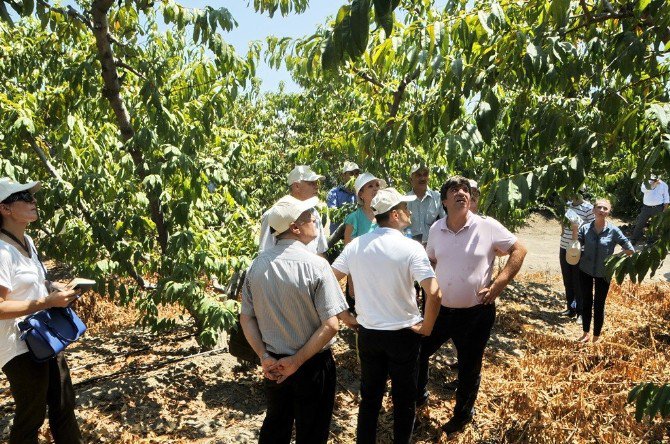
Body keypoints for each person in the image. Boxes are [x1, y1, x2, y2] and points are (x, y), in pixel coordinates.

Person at [332, 188, 442, 444]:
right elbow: (434, 294)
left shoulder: (356, 245)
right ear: (394, 215)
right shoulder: (410, 247)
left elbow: (327, 280)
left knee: (370, 398)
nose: (409, 212)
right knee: (404, 401)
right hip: (403, 334)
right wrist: (427, 327)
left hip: (369, 334)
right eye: (405, 208)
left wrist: (344, 314)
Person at [240, 195, 354, 444]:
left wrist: (264, 356)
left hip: (274, 364)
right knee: (312, 431)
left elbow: (246, 318)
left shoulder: (256, 266)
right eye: (308, 217)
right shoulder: (317, 266)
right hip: (312, 364)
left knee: (276, 425)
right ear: (294, 228)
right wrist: (297, 360)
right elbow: (331, 324)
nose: (314, 219)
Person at [418, 176, 527, 435]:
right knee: (419, 351)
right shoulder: (436, 229)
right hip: (441, 311)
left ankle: (462, 415)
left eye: (465, 190)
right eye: (454, 189)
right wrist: (426, 292)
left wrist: (499, 284)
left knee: (470, 365)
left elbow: (519, 250)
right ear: (444, 201)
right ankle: (419, 395)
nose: (461, 193)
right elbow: (431, 261)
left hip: (476, 314)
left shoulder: (487, 226)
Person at [0, 178, 84, 443]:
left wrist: (53, 287)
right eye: (24, 196)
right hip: (18, 347)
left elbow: (33, 282)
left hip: (45, 336)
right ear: (5, 208)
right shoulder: (1, 252)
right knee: (32, 416)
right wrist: (46, 303)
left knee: (63, 404)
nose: (33, 201)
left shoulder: (27, 241)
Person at [575, 198, 634, 343]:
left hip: (604, 273)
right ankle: (585, 333)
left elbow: (630, 249)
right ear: (593, 210)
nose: (601, 210)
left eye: (605, 208)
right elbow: (575, 246)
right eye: (599, 207)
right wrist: (574, 229)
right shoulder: (585, 228)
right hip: (585, 270)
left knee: (599, 305)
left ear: (609, 212)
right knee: (586, 302)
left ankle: (596, 337)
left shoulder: (613, 230)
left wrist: (614, 258)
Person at [258, 165, 328, 255]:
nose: (316, 187)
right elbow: (265, 252)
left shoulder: (314, 213)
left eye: (316, 183)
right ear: (296, 186)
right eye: (311, 183)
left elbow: (319, 251)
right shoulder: (275, 214)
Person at [559, 193, 594, 322]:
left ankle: (582, 312)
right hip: (564, 246)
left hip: (579, 249)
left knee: (579, 281)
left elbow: (591, 228)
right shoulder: (567, 206)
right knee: (567, 279)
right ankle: (571, 308)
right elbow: (562, 221)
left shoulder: (588, 208)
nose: (572, 194)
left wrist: (578, 230)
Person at [406, 164, 445, 245]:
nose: (422, 178)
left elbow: (445, 222)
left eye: (425, 174)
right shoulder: (405, 200)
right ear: (411, 179)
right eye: (418, 175)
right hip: (410, 247)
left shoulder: (437, 198)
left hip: (433, 246)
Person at [343, 172, 386, 245]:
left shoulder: (387, 214)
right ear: (360, 194)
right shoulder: (354, 218)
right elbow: (348, 250)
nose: (375, 189)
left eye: (377, 185)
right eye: (370, 186)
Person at [629, 174, 669, 246]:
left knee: (655, 225)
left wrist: (664, 210)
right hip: (646, 208)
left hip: (658, 208)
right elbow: (644, 190)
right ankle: (633, 240)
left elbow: (666, 197)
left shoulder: (664, 185)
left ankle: (651, 242)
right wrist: (654, 184)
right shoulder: (646, 182)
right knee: (640, 223)